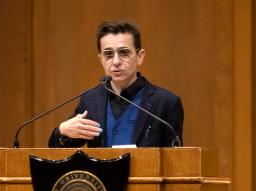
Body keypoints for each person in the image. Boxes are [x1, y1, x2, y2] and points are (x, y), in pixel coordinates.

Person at [48, 21, 184, 148]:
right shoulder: (90, 101)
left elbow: (177, 162)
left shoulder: (166, 103)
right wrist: (62, 132)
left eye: (124, 52)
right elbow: (58, 149)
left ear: (140, 56)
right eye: (108, 54)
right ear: (100, 59)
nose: (116, 61)